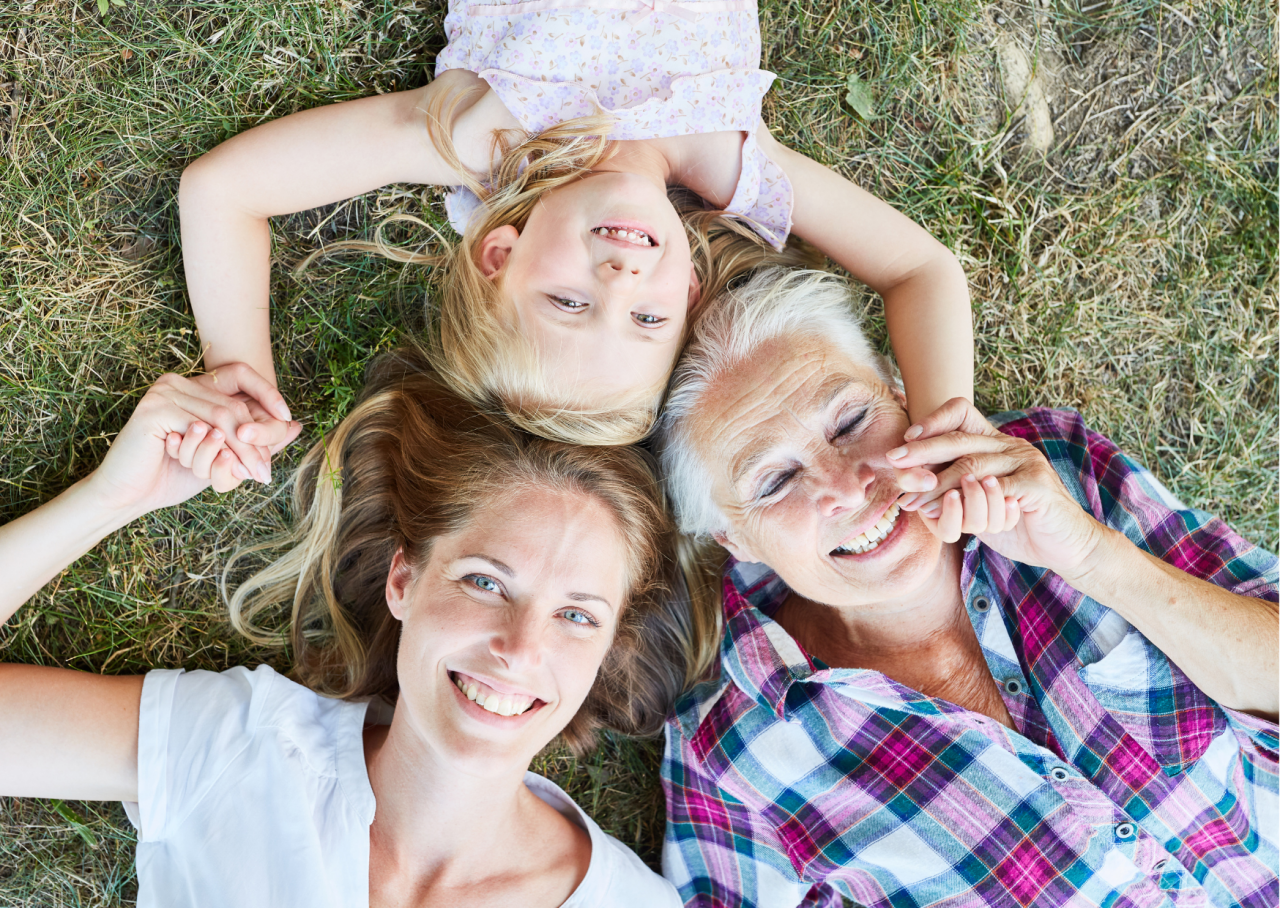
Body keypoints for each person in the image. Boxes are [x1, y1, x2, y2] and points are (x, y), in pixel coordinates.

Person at [653, 268, 1278, 907]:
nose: (847, 487)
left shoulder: (1055, 471)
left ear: (899, 394)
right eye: (775, 481)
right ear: (736, 540)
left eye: (849, 423)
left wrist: (1095, 558)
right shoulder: (731, 758)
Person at [0, 352, 698, 907]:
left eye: (577, 616)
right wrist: (107, 500)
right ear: (404, 581)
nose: (520, 649)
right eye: (485, 582)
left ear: (606, 649)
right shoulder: (242, 746)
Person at [179, 0, 972, 447]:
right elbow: (919, 271)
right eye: (648, 318)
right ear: (690, 287)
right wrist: (946, 438)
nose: (619, 284)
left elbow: (223, 191)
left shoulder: (482, 134)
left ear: (499, 254)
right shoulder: (732, 162)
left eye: (568, 305)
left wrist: (236, 364)